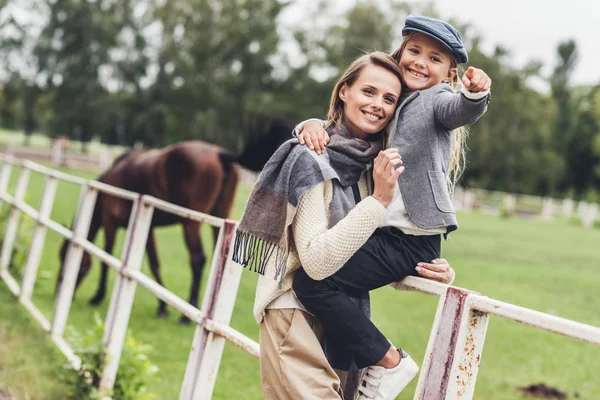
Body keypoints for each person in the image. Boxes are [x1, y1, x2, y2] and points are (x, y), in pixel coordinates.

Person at [232, 51, 453, 400]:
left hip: (342, 323)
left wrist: (427, 270)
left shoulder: (372, 168)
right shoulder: (309, 157)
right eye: (368, 91)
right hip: (294, 313)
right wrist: (377, 201)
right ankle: (392, 361)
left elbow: (366, 253)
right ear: (344, 91)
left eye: (389, 99)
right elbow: (317, 262)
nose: (378, 104)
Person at [292, 15, 492, 400]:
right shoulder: (392, 97)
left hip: (410, 239)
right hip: (384, 231)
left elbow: (461, 111)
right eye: (414, 51)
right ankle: (355, 374)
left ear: (450, 72)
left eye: (435, 59)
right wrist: (310, 125)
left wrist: (475, 93)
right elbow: (348, 121)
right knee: (323, 284)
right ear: (400, 52)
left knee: (313, 282)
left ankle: (388, 362)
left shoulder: (439, 101)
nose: (420, 62)